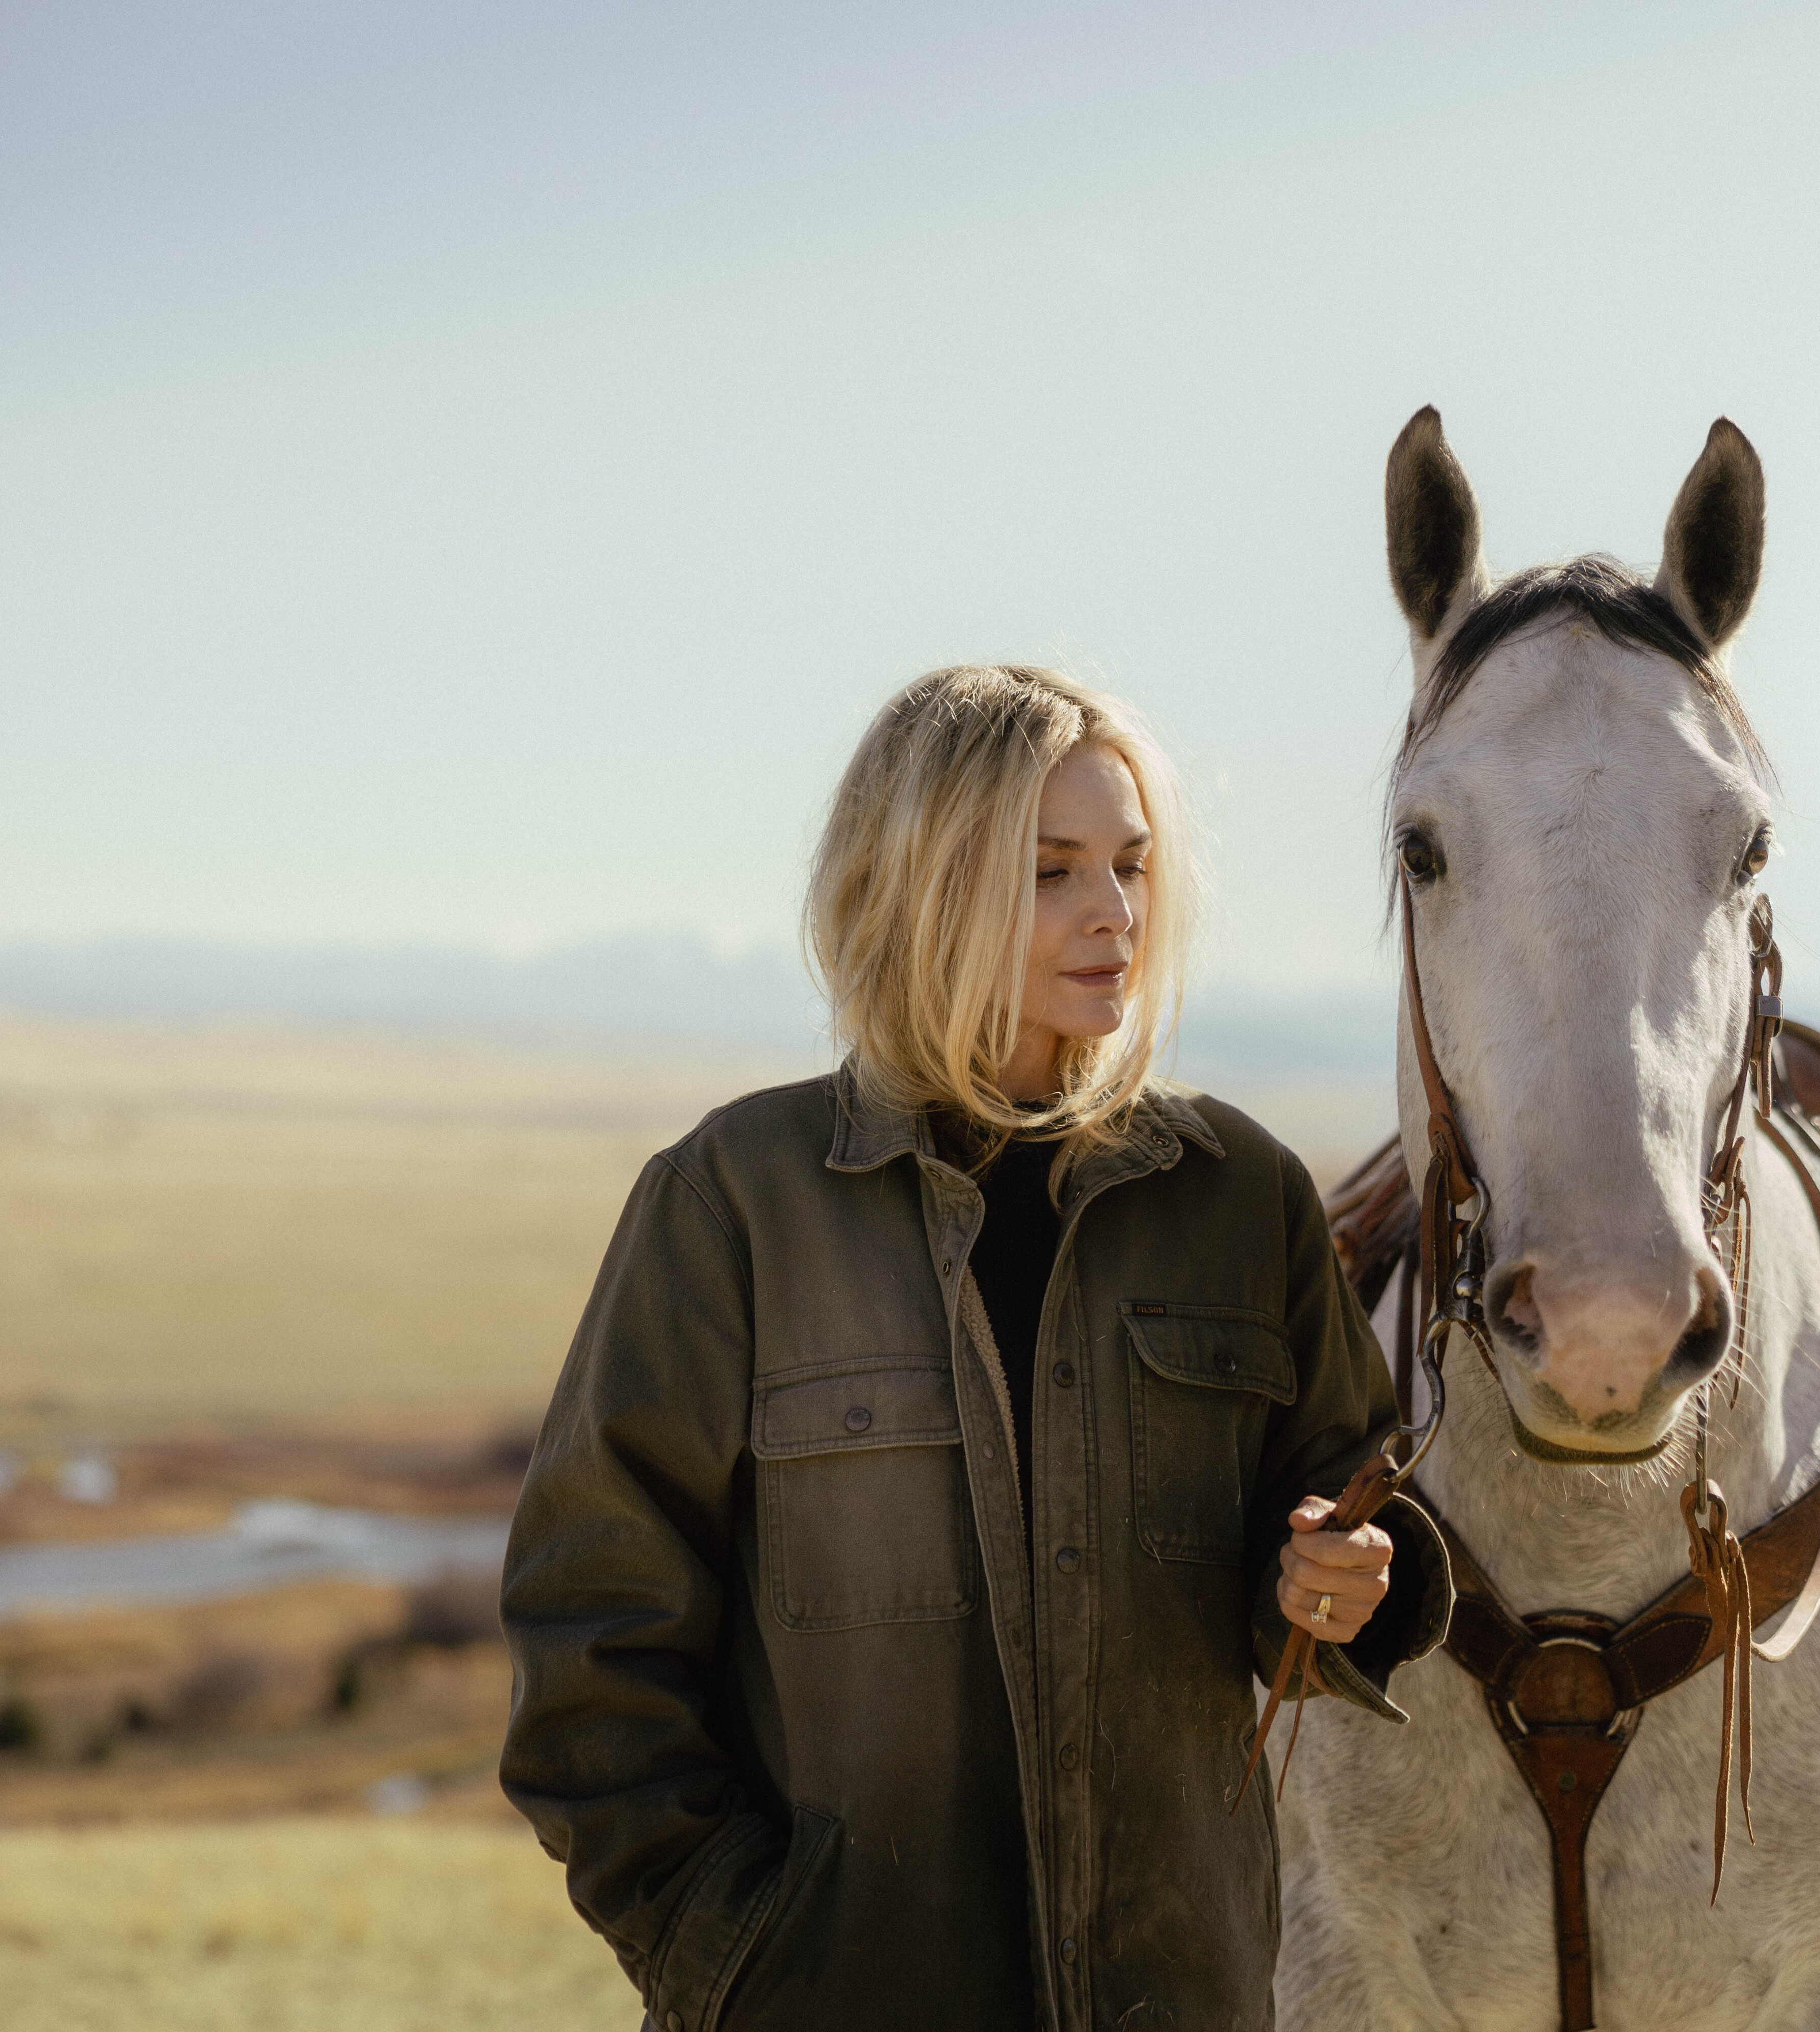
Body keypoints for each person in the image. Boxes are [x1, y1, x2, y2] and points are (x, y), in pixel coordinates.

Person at [499, 665, 1452, 2031]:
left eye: (1129, 866)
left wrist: (1347, 1578)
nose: (1114, 915)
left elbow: (1345, 1501)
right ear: (923, 882)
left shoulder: (1242, 1198)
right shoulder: (736, 1202)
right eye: (1053, 871)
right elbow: (591, 1628)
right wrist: (731, 1957)